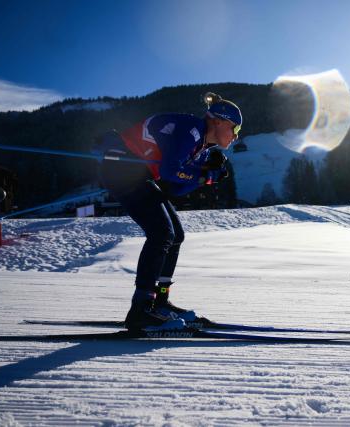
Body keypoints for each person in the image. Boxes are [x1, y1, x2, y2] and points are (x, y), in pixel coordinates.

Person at [95, 93, 242, 331]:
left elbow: (175, 187)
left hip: (139, 173)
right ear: (219, 121)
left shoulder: (201, 145)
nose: (236, 135)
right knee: (161, 233)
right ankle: (140, 309)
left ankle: (160, 302)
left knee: (176, 235)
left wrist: (205, 176)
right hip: (122, 167)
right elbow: (171, 171)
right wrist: (204, 174)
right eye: (235, 128)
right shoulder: (192, 130)